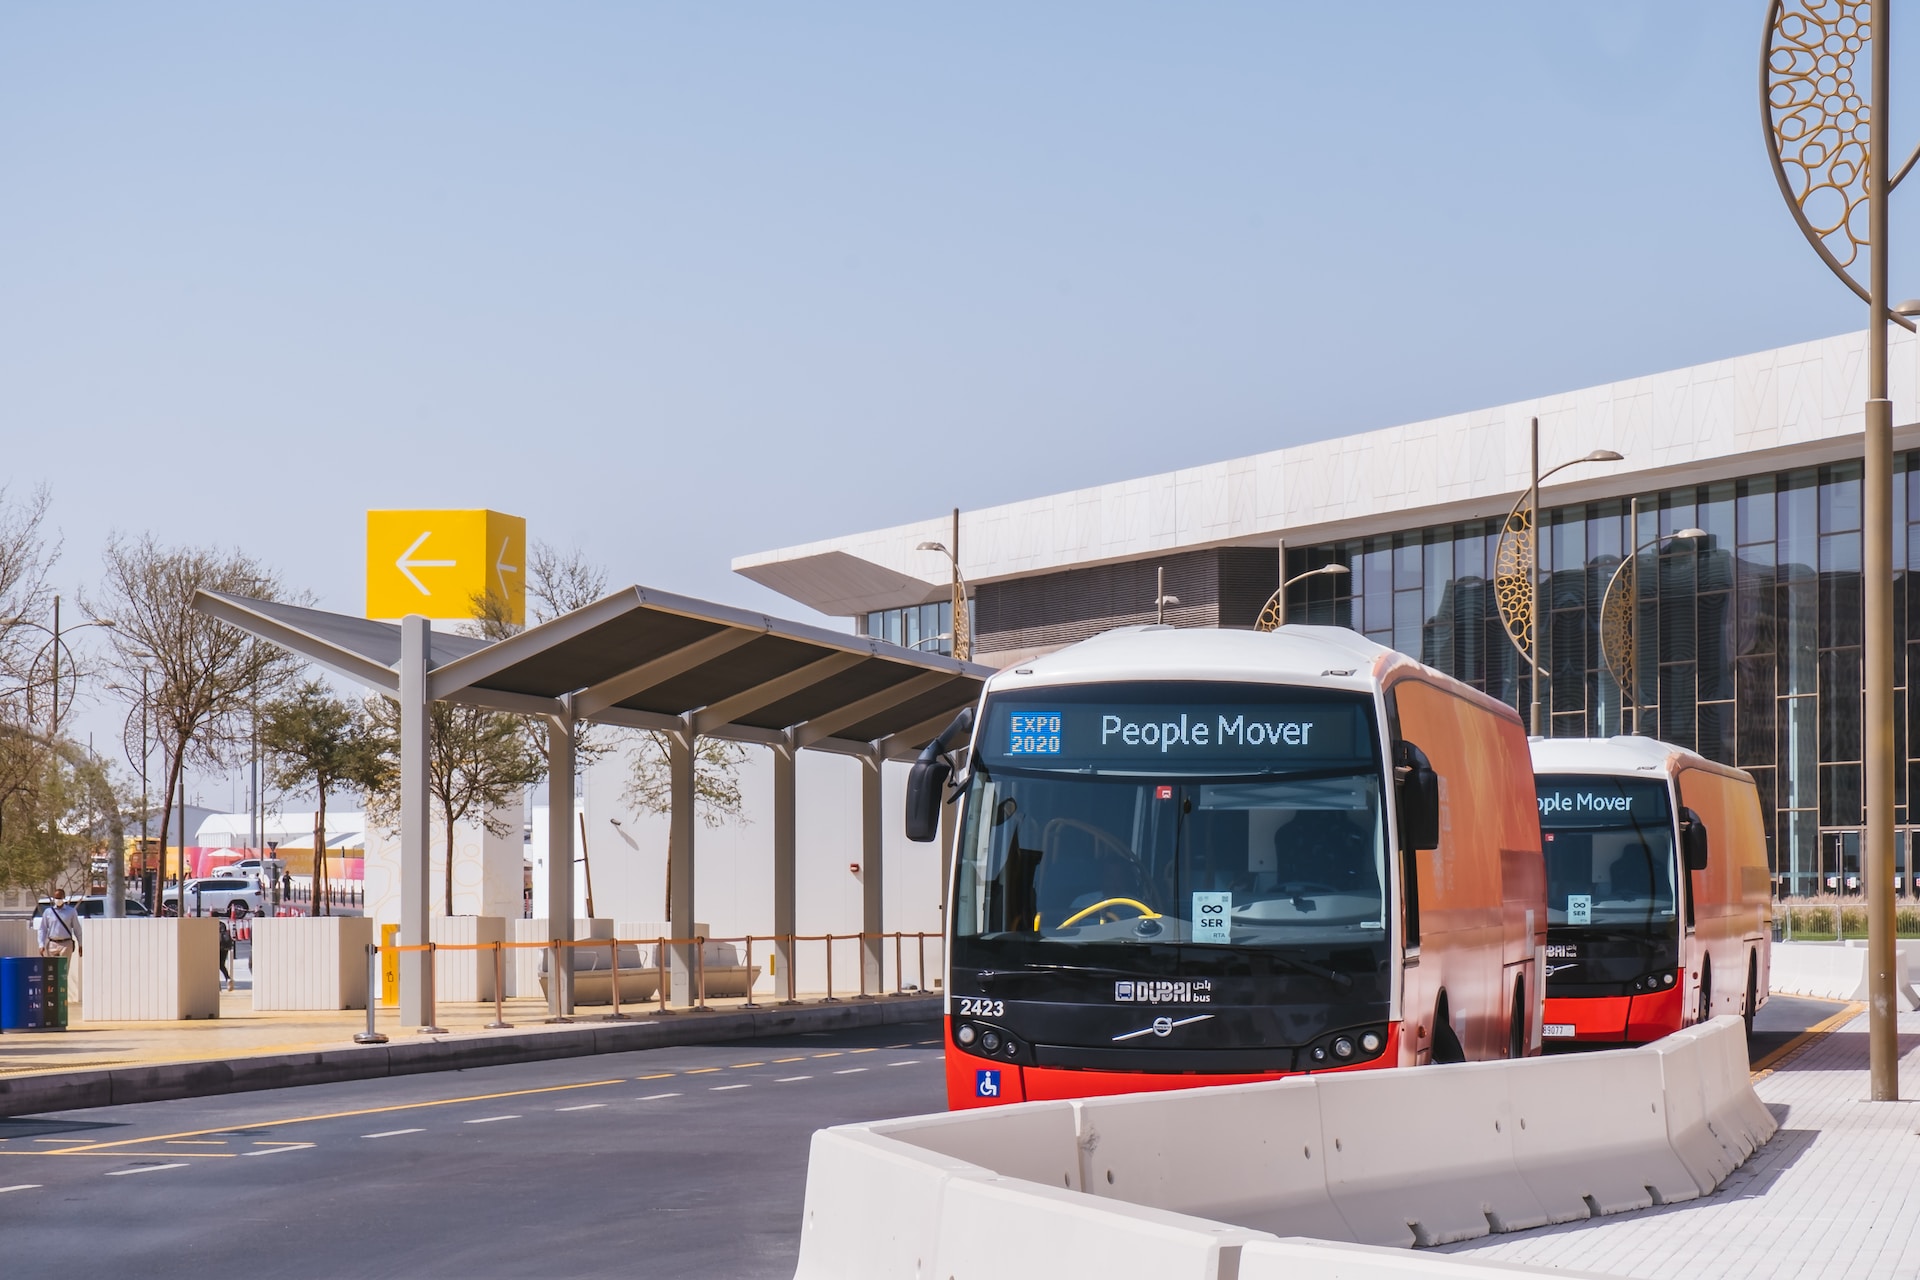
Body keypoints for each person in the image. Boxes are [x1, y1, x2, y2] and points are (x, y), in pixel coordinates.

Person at [35, 888, 81, 959]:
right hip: (52, 944)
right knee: (52, 969)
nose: (58, 900)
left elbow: (77, 929)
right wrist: (41, 944)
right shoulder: (48, 912)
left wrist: (80, 944)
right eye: (56, 898)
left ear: (63, 898)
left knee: (63, 968)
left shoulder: (71, 911)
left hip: (66, 943)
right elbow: (42, 929)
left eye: (60, 898)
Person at [217, 912, 236, 992]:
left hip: (217, 947)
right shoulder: (222, 924)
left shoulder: (211, 925)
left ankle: (218, 985)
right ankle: (227, 978)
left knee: (214, 966)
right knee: (221, 964)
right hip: (225, 947)